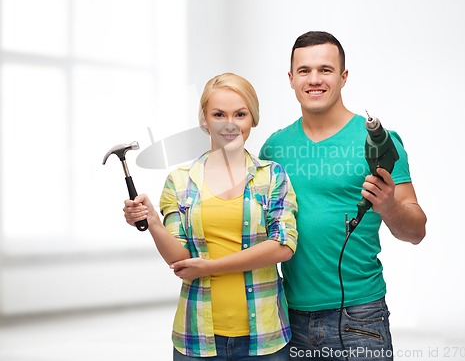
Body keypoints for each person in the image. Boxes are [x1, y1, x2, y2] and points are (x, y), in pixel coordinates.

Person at [259, 31, 427, 360]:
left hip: (359, 318)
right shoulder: (274, 148)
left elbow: (416, 231)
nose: (314, 79)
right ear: (291, 79)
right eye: (304, 71)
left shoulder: (378, 142)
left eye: (325, 69)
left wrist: (389, 205)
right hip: (286, 317)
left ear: (343, 76)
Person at [123, 73, 298, 361]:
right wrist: (153, 221)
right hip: (197, 338)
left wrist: (210, 267)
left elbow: (283, 245)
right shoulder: (179, 181)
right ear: (204, 120)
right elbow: (178, 257)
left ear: (252, 119)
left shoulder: (272, 176)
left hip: (265, 339)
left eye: (240, 114)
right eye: (219, 114)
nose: (230, 124)